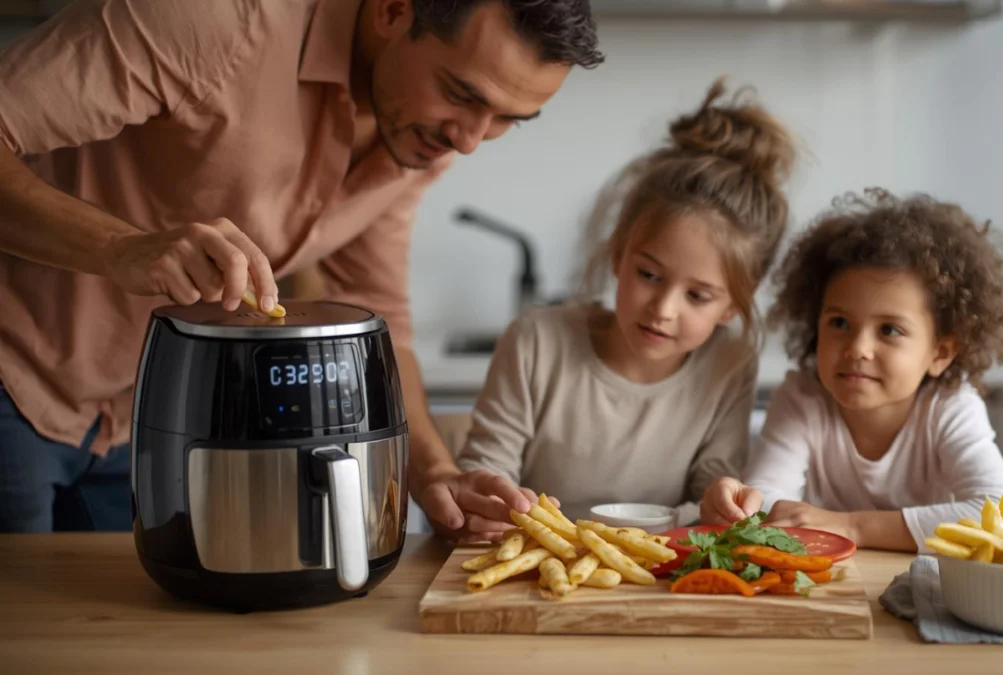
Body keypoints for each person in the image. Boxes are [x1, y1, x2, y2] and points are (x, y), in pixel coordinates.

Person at [0, 0, 602, 536]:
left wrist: (436, 473)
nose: (471, 140)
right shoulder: (211, 20)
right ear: (393, 12)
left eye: (506, 119)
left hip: (134, 422)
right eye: (462, 93)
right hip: (14, 373)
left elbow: (377, 311)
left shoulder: (419, 134)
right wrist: (120, 248)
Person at [456, 79, 795, 525]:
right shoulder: (535, 340)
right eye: (649, 275)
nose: (663, 308)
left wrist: (720, 501)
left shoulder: (729, 360)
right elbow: (486, 465)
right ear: (619, 254)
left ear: (733, 305)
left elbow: (712, 484)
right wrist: (488, 498)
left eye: (697, 296)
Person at [700, 188, 1003, 552]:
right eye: (839, 323)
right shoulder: (803, 398)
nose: (857, 349)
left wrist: (852, 526)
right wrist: (737, 503)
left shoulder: (950, 407)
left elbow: (999, 515)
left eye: (889, 330)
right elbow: (765, 500)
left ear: (940, 352)